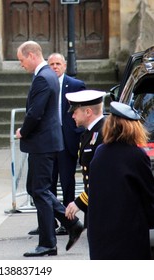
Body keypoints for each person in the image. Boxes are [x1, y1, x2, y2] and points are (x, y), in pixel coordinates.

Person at [16, 41, 84, 257]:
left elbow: (35, 114)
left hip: (42, 143)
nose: (21, 64)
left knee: (40, 191)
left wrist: (23, 132)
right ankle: (68, 224)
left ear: (31, 55)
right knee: (37, 189)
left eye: (21, 60)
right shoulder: (47, 76)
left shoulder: (43, 78)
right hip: (44, 142)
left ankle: (50, 241)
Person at [28, 53, 86, 236]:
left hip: (67, 140)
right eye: (51, 63)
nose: (54, 66)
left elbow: (82, 111)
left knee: (67, 181)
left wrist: (77, 135)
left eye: (58, 63)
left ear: (65, 65)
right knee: (47, 183)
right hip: (49, 140)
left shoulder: (75, 85)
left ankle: (67, 220)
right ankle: (47, 222)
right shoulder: (44, 80)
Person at [87, 101, 154, 259]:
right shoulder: (136, 156)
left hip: (100, 238)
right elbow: (148, 196)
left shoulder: (100, 153)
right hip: (129, 238)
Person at [64, 90, 105, 225]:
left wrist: (80, 202)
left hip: (105, 207)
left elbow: (103, 177)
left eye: (75, 112)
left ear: (88, 112)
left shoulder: (105, 133)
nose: (73, 116)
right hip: (94, 204)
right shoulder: (89, 133)